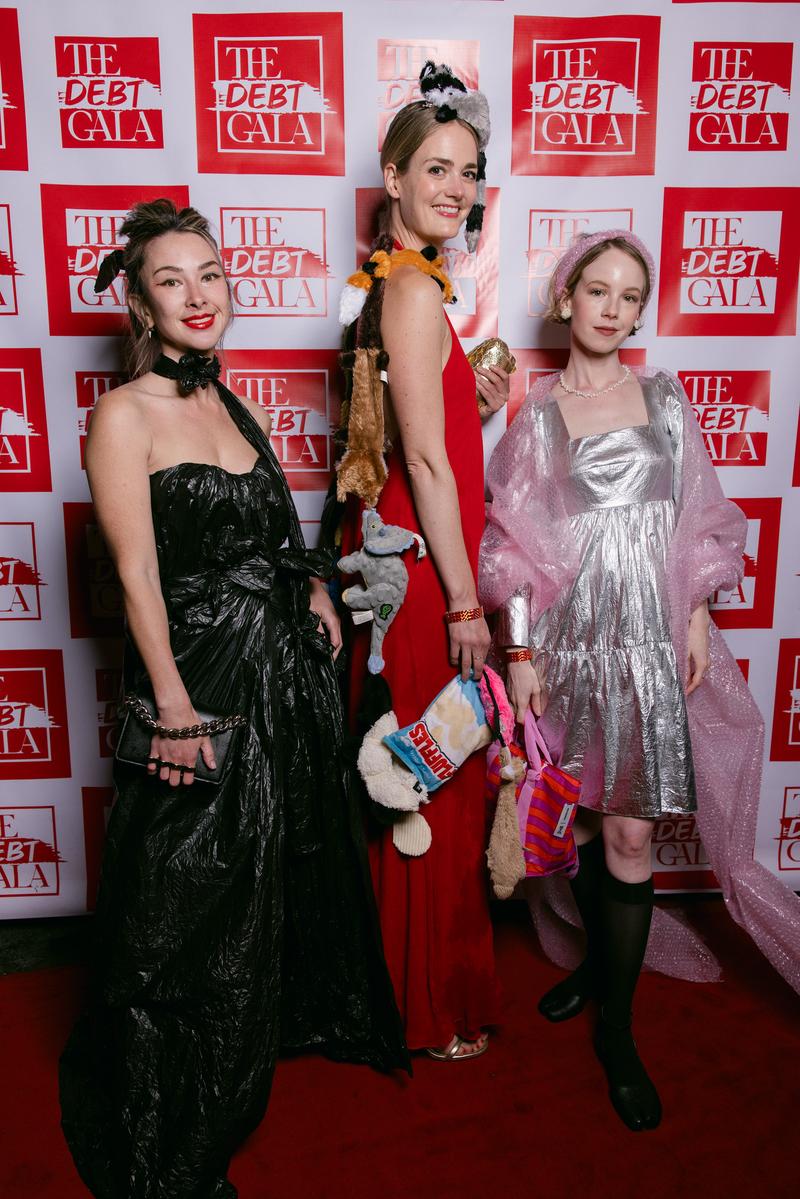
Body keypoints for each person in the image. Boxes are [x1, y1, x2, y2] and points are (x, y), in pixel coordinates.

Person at [59, 199, 407, 1199]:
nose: (197, 295)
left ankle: (259, 1035)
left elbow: (266, 530)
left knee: (264, 873)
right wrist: (172, 708)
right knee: (181, 896)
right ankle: (171, 1105)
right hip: (199, 677)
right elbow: (136, 575)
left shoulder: (229, 400)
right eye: (171, 280)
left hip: (276, 678)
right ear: (140, 303)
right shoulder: (124, 414)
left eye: (209, 274)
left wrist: (310, 588)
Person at [479, 228, 800, 1131]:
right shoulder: (537, 416)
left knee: (630, 835)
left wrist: (693, 613)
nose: (612, 309)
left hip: (648, 647)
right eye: (598, 291)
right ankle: (595, 964)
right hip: (569, 648)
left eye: (629, 297)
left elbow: (701, 514)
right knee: (576, 822)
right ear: (567, 298)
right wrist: (520, 653)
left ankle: (617, 1031)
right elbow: (509, 549)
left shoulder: (665, 398)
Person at [331, 63, 508, 1061]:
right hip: (426, 571)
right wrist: (464, 602)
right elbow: (427, 463)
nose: (455, 187)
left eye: (468, 171)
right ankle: (427, 1006)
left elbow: (410, 436)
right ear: (393, 178)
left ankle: (410, 991)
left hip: (408, 552)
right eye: (435, 167)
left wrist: (464, 397)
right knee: (428, 776)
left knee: (417, 766)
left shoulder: (401, 282)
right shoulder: (406, 286)